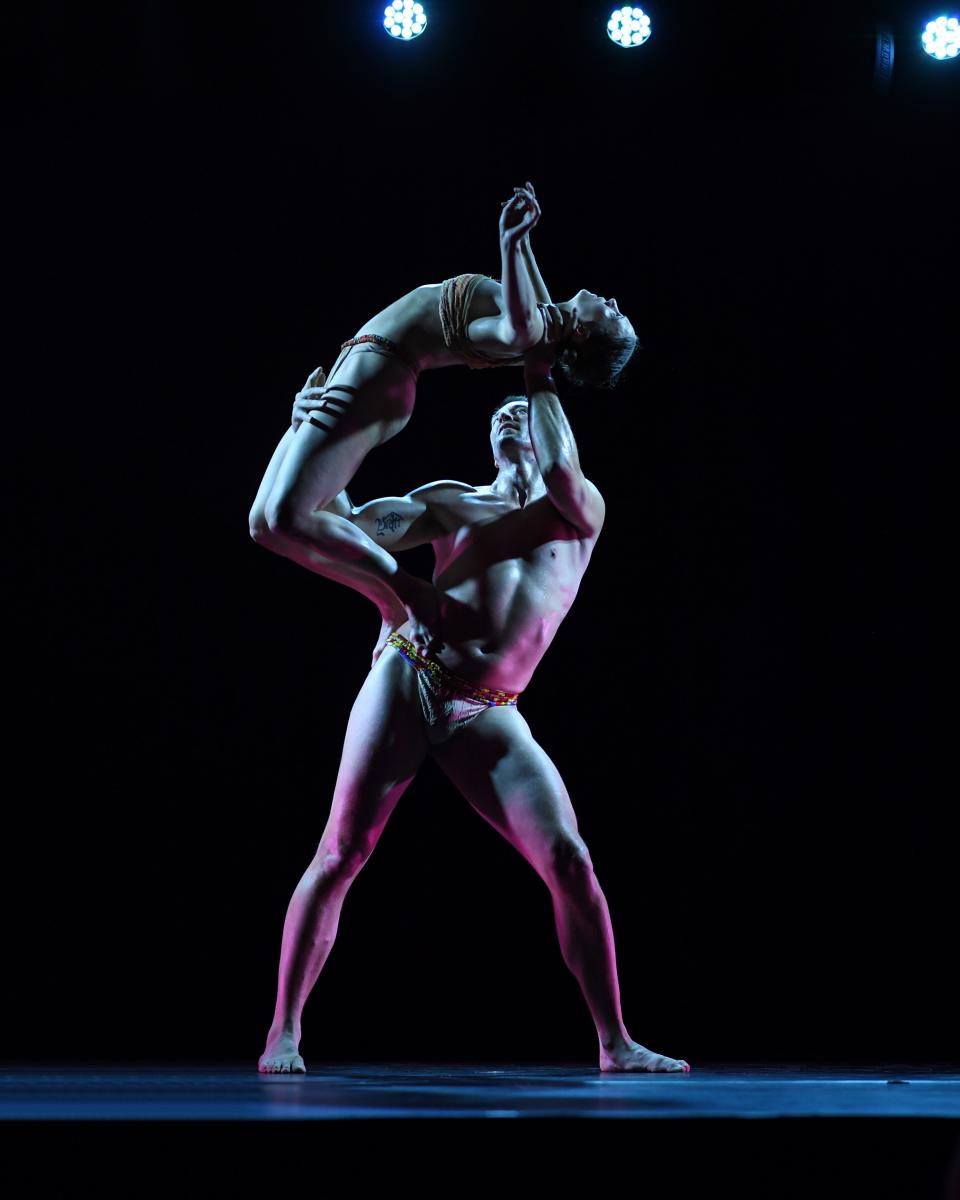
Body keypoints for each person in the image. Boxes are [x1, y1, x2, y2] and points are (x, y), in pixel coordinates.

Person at [255, 305, 688, 1075]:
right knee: (343, 849)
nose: (511, 415)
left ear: (555, 424)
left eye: (526, 410)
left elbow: (558, 468)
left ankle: (615, 1042)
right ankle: (283, 1031)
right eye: (504, 411)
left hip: (491, 712)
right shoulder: (452, 501)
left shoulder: (578, 510)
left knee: (570, 857)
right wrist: (302, 436)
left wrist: (536, 367)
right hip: (412, 673)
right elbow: (324, 520)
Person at [249, 181, 640, 656]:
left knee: (288, 517)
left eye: (615, 317)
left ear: (584, 331)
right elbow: (533, 321)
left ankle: (399, 598)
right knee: (264, 525)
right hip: (368, 372)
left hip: (382, 376)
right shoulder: (544, 328)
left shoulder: (531, 331)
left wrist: (511, 240)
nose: (615, 303)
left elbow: (519, 328)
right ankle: (393, 596)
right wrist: (295, 433)